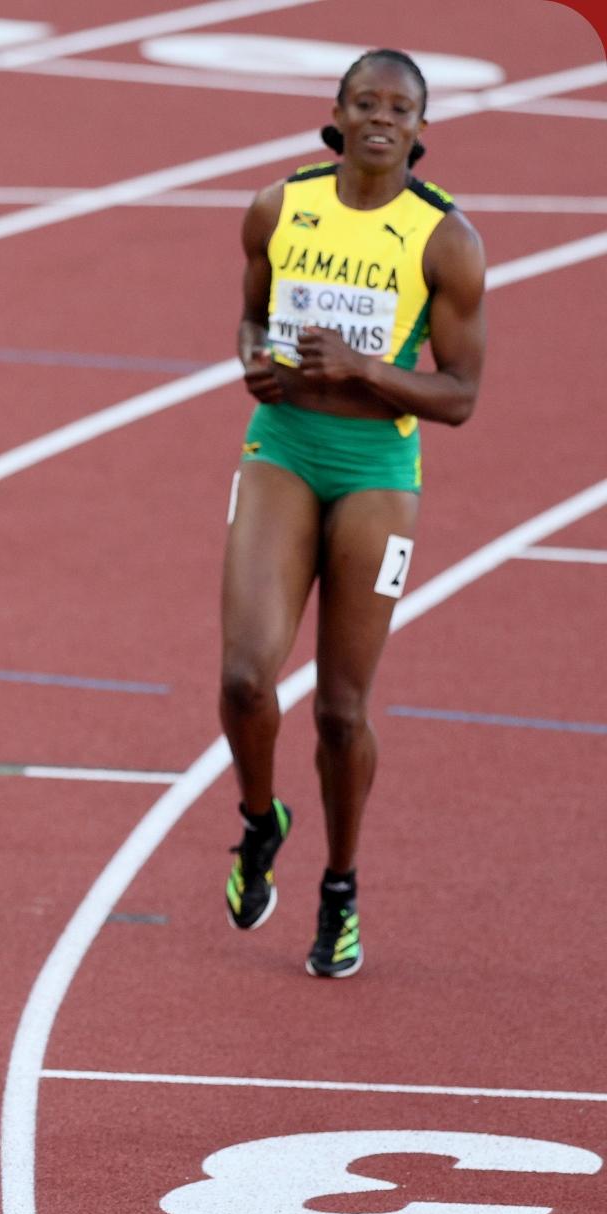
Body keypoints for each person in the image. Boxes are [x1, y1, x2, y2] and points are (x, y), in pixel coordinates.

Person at [220, 48, 483, 978]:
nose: (381, 118)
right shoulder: (279, 206)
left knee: (339, 711)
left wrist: (363, 367)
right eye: (365, 102)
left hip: (377, 470)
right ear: (336, 115)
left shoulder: (445, 239)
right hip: (283, 447)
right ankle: (261, 823)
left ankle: (340, 886)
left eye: (399, 108)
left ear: (420, 129)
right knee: (246, 679)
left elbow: (460, 395)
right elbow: (251, 318)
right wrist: (253, 358)